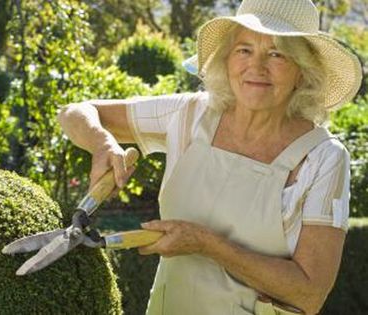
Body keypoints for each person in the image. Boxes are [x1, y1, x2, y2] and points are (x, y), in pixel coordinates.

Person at [58, 0, 363, 314]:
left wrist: (206, 244)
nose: (256, 67)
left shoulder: (323, 157)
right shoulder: (191, 114)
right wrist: (102, 144)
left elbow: (309, 294)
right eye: (244, 50)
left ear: (302, 71)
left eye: (277, 54)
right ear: (227, 60)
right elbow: (75, 113)